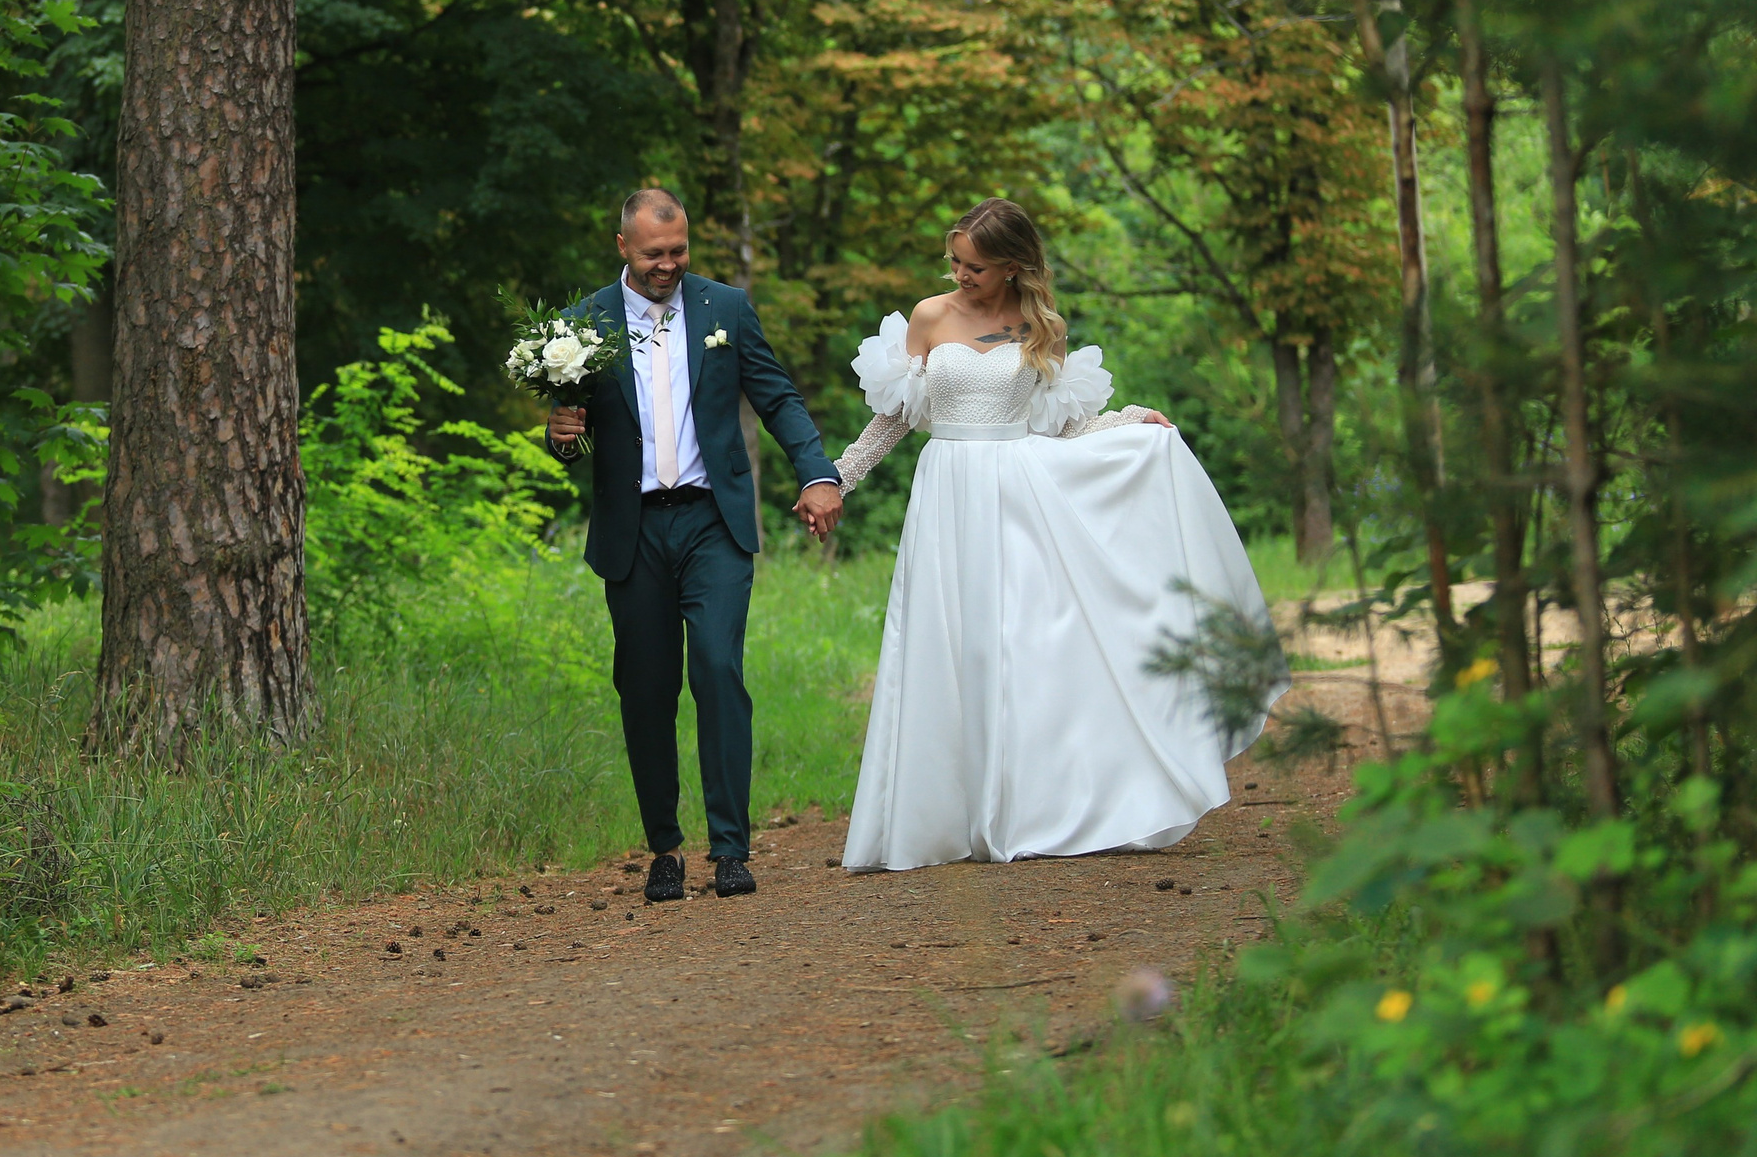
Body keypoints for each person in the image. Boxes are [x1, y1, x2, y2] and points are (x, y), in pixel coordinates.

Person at [831, 198, 1287, 871]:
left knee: (1018, 646)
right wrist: (837, 478)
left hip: (1019, 490)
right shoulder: (929, 318)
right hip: (948, 491)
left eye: (976, 267)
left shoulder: (1042, 325)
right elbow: (897, 417)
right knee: (952, 644)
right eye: (955, 261)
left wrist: (1130, 421)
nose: (961, 274)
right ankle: (943, 815)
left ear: (1013, 266)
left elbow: (1060, 424)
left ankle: (1035, 805)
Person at [547, 189, 846, 903]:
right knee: (645, 689)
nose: (668, 265)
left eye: (678, 251)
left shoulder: (726, 308)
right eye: (654, 254)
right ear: (623, 246)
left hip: (714, 521)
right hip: (635, 528)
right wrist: (562, 437)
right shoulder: (581, 322)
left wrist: (819, 472)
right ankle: (664, 848)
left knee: (718, 669)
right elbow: (573, 432)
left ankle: (731, 847)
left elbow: (776, 397)